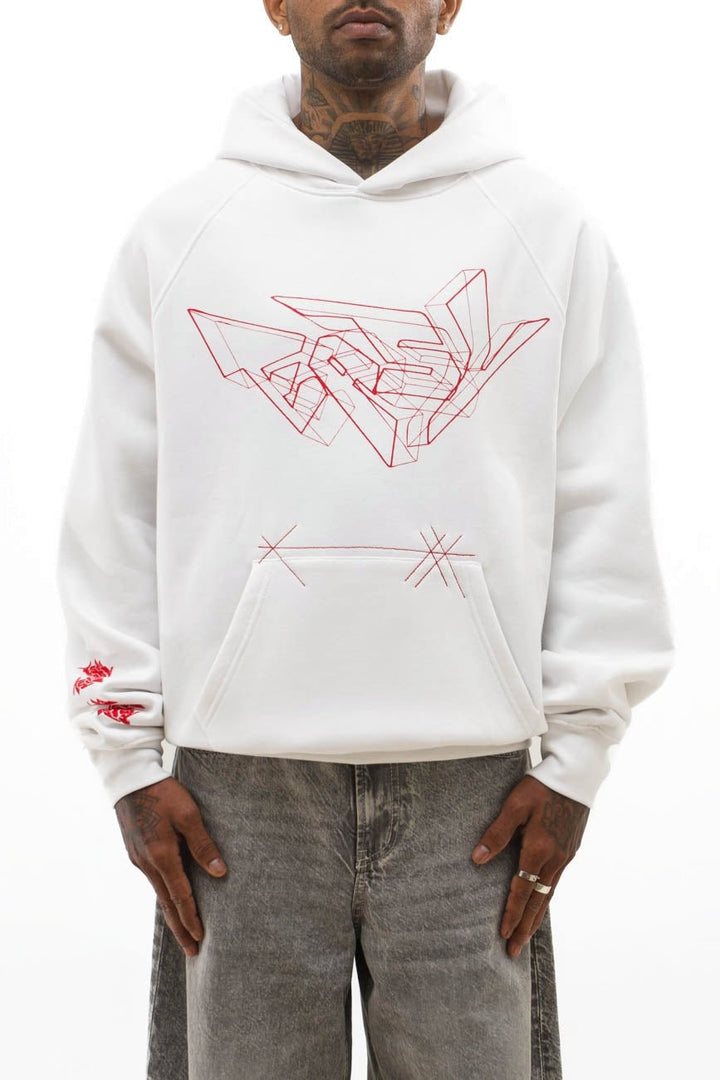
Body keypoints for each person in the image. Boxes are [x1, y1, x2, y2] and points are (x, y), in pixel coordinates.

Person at [55, 2, 674, 1077]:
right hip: (233, 790)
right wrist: (124, 759)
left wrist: (577, 762)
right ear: (274, 5)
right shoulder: (183, 230)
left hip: (476, 790)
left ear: (450, 5)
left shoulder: (545, 228)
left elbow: (600, 496)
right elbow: (116, 503)